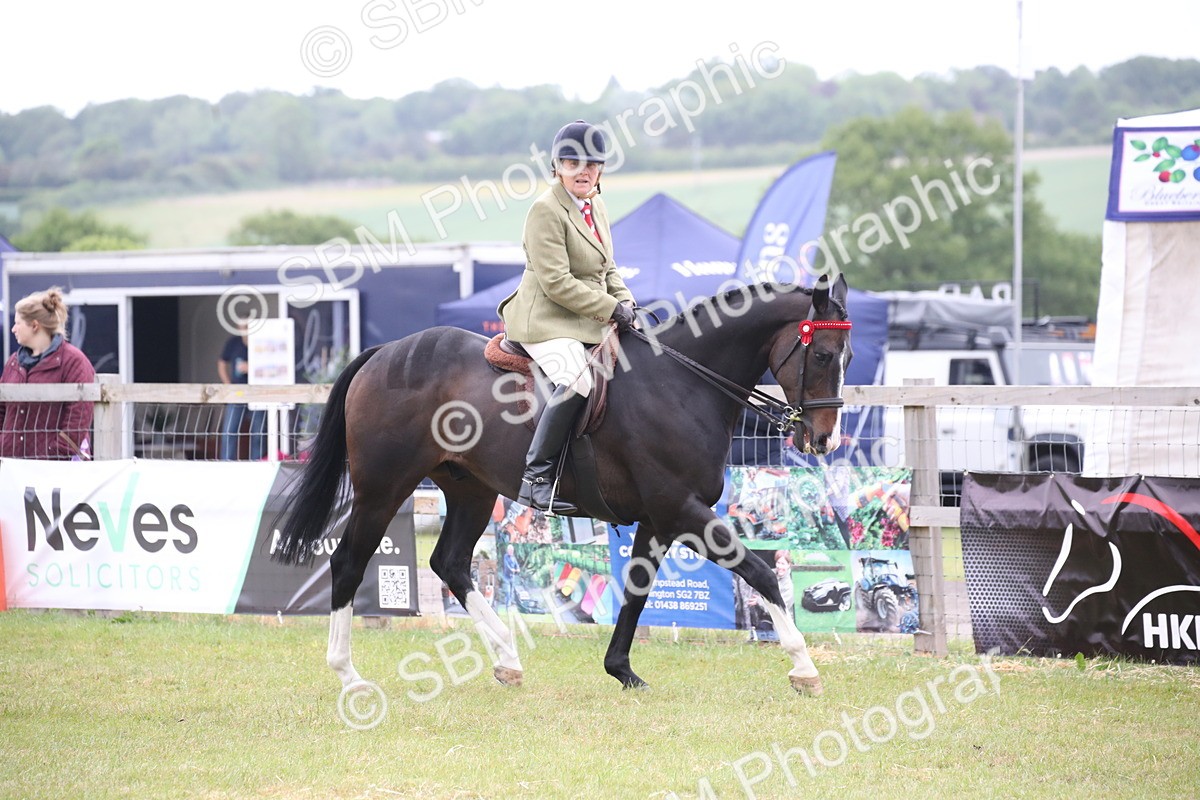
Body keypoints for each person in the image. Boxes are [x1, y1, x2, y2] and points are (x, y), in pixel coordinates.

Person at [497, 119, 637, 513]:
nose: (583, 171)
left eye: (591, 164)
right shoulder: (545, 210)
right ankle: (537, 477)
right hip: (543, 320)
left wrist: (628, 304)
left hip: (582, 318)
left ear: (601, 170)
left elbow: (607, 269)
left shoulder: (597, 206)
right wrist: (610, 309)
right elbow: (556, 283)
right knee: (577, 380)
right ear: (556, 167)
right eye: (572, 162)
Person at [0, 287, 96, 459]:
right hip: (10, 469)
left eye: (18, 323)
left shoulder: (74, 362)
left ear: (35, 326)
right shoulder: (13, 363)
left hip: (54, 471)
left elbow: (77, 419)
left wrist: (52, 453)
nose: (13, 329)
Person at [217, 321, 265, 460]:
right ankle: (227, 463)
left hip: (257, 392)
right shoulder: (233, 342)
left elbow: (270, 364)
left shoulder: (260, 342)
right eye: (241, 326)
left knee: (259, 432)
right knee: (230, 431)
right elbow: (222, 363)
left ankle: (258, 463)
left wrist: (252, 367)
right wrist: (227, 384)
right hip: (237, 393)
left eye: (247, 326)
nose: (244, 329)